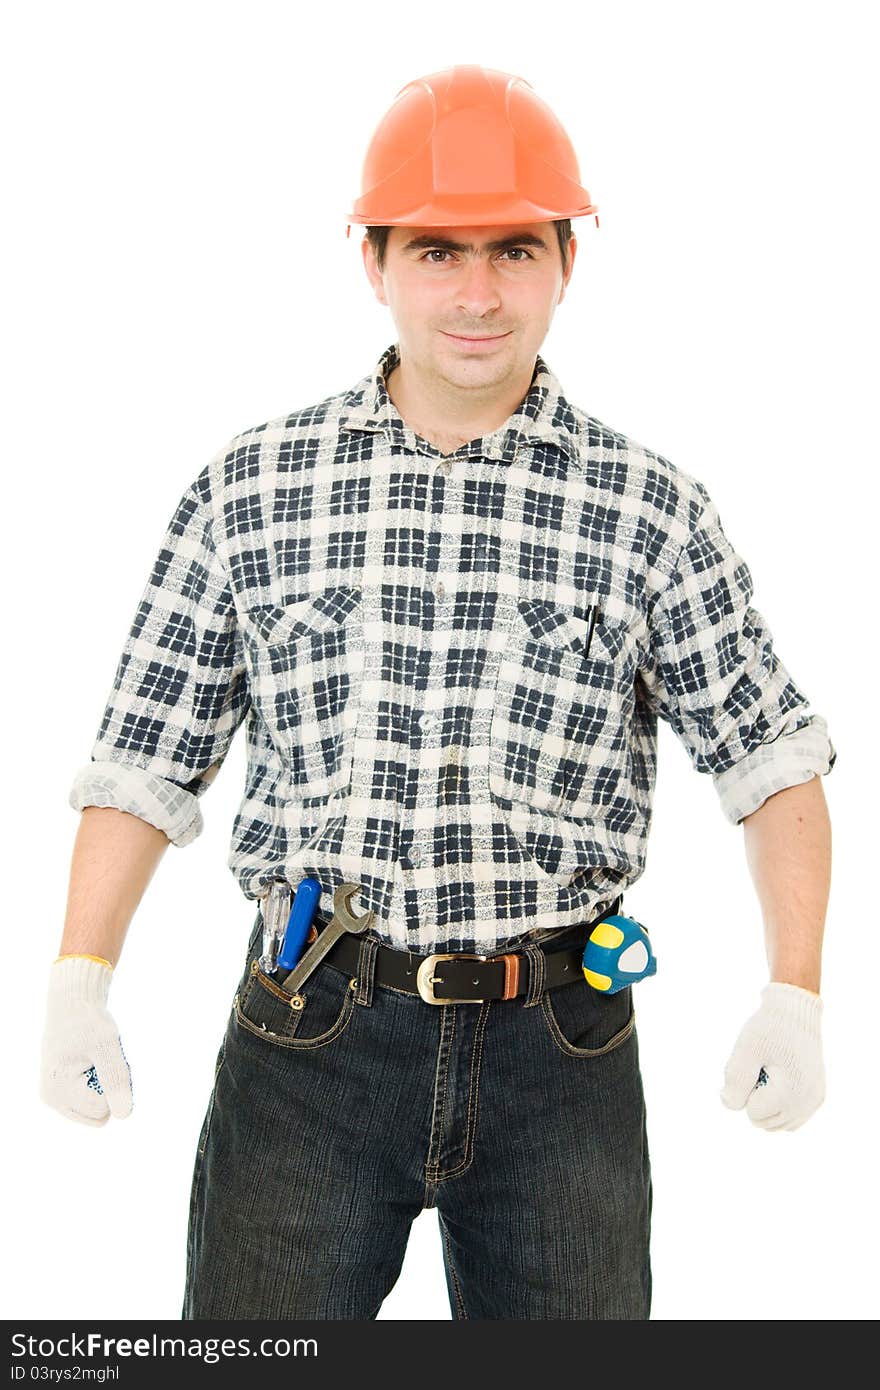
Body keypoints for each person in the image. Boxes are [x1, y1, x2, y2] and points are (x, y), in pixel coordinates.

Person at [40, 63, 836, 1321]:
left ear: (567, 259)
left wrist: (794, 992)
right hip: (312, 1038)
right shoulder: (253, 486)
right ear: (374, 259)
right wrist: (79, 975)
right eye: (436, 250)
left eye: (514, 250)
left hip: (560, 1049)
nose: (477, 294)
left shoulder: (649, 511)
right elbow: (144, 755)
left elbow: (771, 760)